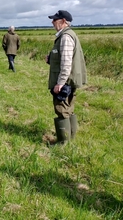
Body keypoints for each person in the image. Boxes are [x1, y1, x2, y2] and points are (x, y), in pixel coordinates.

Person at [47, 10, 87, 145]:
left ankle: (63, 143)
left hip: (65, 81)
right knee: (69, 109)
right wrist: (51, 58)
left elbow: (66, 63)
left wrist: (60, 83)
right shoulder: (68, 35)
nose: (52, 22)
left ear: (63, 21)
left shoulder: (65, 37)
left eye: (55, 20)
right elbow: (63, 57)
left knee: (62, 110)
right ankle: (70, 138)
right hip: (69, 80)